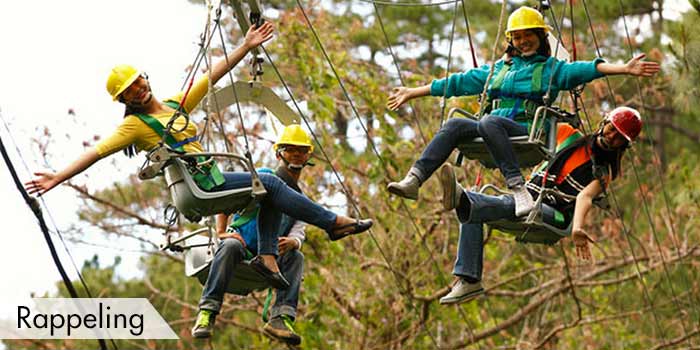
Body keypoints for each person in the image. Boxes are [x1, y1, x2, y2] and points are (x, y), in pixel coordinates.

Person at [24, 22, 372, 299]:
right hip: (201, 187)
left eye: (138, 83)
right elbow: (97, 152)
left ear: (146, 78)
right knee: (268, 181)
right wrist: (58, 177)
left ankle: (271, 257)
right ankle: (331, 223)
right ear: (124, 100)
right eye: (129, 92)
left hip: (211, 179)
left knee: (268, 189)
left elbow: (211, 76)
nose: (138, 92)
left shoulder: (176, 106)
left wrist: (246, 46)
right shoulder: (134, 126)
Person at [386, 6, 660, 217]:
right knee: (454, 125)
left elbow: (587, 69)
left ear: (541, 37)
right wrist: (413, 92)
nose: (523, 41)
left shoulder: (553, 70)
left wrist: (624, 68)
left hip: (526, 131)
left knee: (489, 122)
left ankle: (519, 190)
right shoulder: (499, 70)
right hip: (492, 128)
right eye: (517, 37)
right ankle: (415, 179)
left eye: (528, 35)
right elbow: (458, 82)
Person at [437, 106, 642, 304]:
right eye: (612, 129)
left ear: (623, 146)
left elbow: (585, 197)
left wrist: (578, 228)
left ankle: (463, 197)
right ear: (604, 123)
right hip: (529, 196)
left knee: (505, 203)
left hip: (557, 215)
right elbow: (532, 139)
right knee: (476, 209)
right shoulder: (568, 135)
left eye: (619, 138)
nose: (611, 137)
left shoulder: (603, 172)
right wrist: (493, 125)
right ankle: (470, 278)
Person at [192, 125, 314, 344]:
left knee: (297, 257)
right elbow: (228, 200)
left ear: (308, 155)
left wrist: (293, 242)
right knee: (229, 247)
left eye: (301, 150)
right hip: (242, 247)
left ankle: (281, 317)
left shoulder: (299, 198)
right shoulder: (264, 178)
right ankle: (207, 312)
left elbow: (299, 230)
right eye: (290, 149)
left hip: (270, 260)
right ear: (279, 153)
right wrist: (221, 232)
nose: (296, 154)